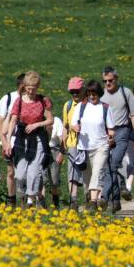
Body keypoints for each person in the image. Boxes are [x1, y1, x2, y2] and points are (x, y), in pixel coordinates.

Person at [4, 71, 53, 208]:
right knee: (20, 174)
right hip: (21, 139)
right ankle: (26, 195)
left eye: (34, 89)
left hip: (38, 138)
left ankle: (31, 201)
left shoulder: (43, 101)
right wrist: (8, 140)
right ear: (24, 86)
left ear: (38, 87)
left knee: (34, 170)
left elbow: (50, 120)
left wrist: (37, 124)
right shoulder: (19, 101)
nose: (31, 91)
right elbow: (13, 120)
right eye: (28, 88)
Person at [100, 66, 134, 213]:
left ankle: (103, 196)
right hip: (105, 134)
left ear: (116, 79)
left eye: (110, 80)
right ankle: (116, 200)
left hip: (122, 131)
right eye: (105, 81)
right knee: (111, 166)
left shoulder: (125, 92)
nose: (108, 84)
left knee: (114, 163)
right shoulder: (101, 95)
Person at [71, 80, 115, 211]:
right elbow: (73, 124)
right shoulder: (81, 107)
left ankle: (93, 201)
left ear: (99, 94)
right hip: (84, 148)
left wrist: (111, 138)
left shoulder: (106, 108)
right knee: (87, 179)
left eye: (94, 94)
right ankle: (94, 202)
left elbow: (111, 129)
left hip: (101, 146)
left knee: (97, 172)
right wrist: (75, 127)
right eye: (89, 93)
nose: (91, 96)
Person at [0, 73, 25, 207]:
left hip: (26, 140)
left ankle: (25, 199)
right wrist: (4, 141)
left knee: (24, 172)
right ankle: (11, 199)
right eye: (23, 88)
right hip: (9, 140)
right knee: (11, 171)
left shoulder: (33, 99)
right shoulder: (8, 98)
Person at [62, 77, 87, 210]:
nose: (75, 94)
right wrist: (63, 142)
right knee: (72, 170)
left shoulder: (89, 104)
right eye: (72, 92)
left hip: (88, 143)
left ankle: (89, 196)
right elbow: (65, 126)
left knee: (86, 170)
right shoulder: (68, 105)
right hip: (72, 142)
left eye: (77, 91)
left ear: (83, 90)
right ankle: (74, 199)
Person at [41, 115, 64, 208]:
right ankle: (41, 203)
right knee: (42, 178)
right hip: (42, 150)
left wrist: (61, 153)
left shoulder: (56, 120)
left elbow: (61, 137)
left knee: (54, 180)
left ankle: (55, 200)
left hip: (54, 150)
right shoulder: (38, 120)